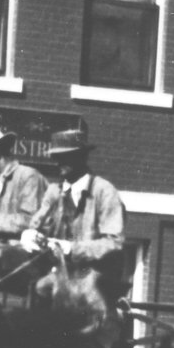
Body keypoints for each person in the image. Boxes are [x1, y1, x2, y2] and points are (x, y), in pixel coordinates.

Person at [31, 127, 129, 299]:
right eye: (56, 158)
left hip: (96, 274)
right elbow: (38, 225)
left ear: (82, 157)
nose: (58, 163)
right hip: (63, 273)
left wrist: (71, 248)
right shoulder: (55, 192)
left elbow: (114, 243)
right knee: (39, 288)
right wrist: (34, 236)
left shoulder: (104, 191)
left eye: (64, 158)